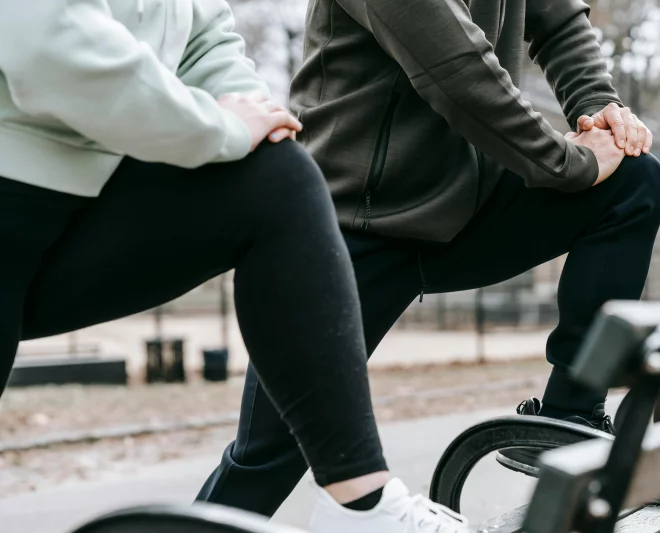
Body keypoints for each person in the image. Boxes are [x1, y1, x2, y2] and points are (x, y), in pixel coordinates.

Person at [0, 1, 469, 532]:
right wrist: (219, 128)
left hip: (80, 196)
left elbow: (204, 36)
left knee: (277, 180)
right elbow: (51, 45)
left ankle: (362, 506)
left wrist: (252, 117)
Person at [198, 0, 660, 516]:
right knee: (269, 453)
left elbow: (558, 20)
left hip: (466, 204)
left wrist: (598, 107)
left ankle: (569, 417)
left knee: (632, 180)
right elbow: (456, 69)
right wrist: (569, 162)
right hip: (349, 225)